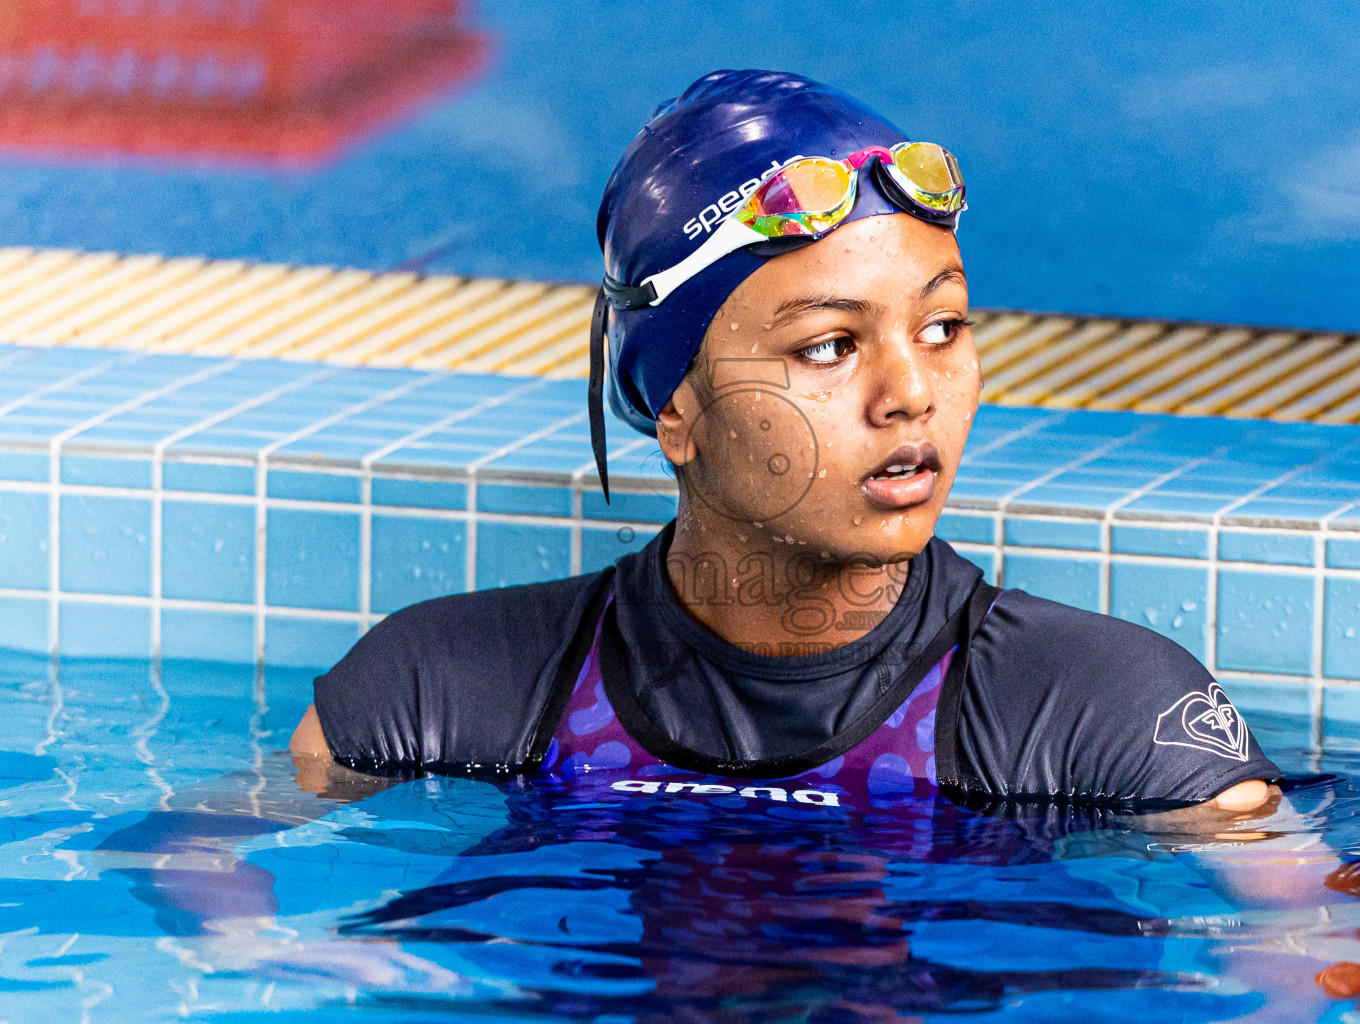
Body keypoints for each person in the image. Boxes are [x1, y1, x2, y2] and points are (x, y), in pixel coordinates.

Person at [290, 69, 1279, 814]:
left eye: (943, 327)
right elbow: (226, 891)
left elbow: (1301, 960)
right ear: (674, 407)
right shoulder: (439, 688)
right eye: (829, 345)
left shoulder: (1109, 716)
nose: (911, 395)